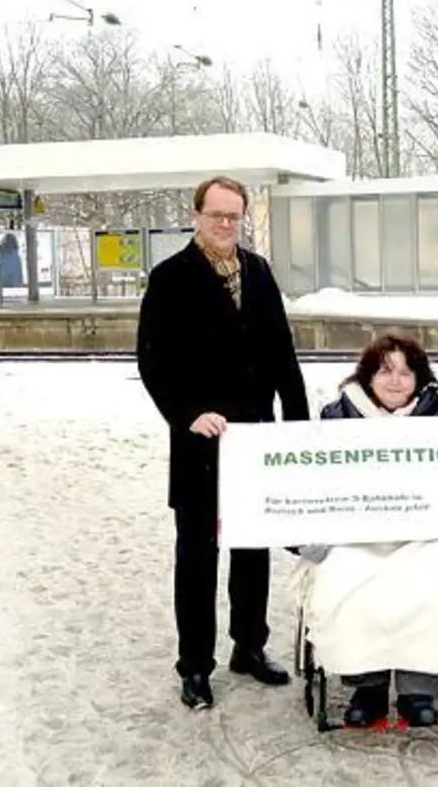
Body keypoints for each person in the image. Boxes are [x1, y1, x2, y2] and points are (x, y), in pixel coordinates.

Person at [136, 175, 310, 711]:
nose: (226, 225)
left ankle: (249, 646)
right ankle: (194, 665)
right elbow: (153, 360)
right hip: (201, 442)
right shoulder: (170, 278)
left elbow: (282, 353)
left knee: (253, 549)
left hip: (254, 437)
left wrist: (298, 423)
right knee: (197, 556)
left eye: (234, 216)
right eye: (217, 215)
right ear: (197, 215)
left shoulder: (258, 272)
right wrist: (188, 414)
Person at [292, 332, 438, 728]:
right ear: (367, 377)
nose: (396, 381)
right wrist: (305, 538)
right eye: (386, 371)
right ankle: (366, 685)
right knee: (341, 576)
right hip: (356, 537)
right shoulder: (336, 418)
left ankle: (418, 687)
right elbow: (309, 486)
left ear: (420, 379)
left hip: (427, 536)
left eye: (406, 372)